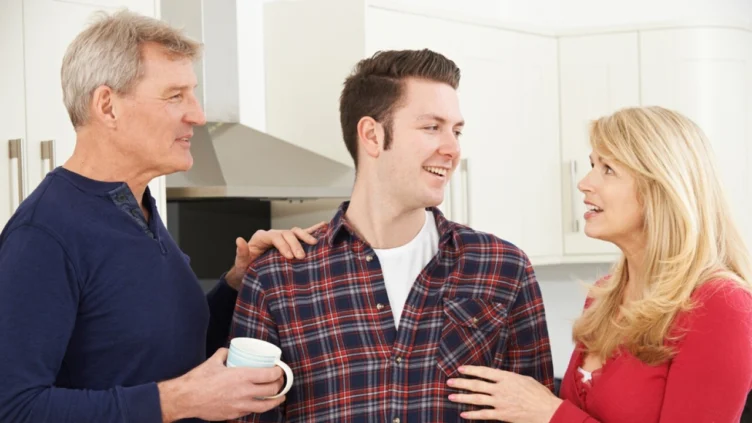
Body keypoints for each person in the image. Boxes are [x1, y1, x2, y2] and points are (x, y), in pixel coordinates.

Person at [0, 10, 319, 423]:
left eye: (193, 93)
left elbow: (163, 349)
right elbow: (14, 408)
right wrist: (176, 402)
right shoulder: (43, 235)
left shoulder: (138, 207)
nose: (198, 115)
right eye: (175, 96)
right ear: (107, 106)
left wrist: (236, 283)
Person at [228, 48, 554, 422]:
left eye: (457, 130)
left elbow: (538, 412)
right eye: (432, 127)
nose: (452, 148)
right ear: (372, 135)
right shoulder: (278, 278)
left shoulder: (503, 268)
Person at [447, 106, 752, 422]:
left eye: (608, 169)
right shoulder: (605, 295)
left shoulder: (721, 304)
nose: (584, 183)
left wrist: (550, 414)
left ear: (661, 188)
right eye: (593, 164)